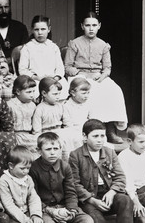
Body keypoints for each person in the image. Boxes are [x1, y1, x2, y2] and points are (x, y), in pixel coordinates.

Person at [69, 119, 135, 223]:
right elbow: (74, 183)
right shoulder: (76, 155)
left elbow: (120, 177)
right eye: (95, 136)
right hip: (88, 198)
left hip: (107, 194)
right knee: (91, 212)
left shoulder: (109, 152)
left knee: (125, 200)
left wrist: (112, 192)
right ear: (84, 137)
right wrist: (92, 200)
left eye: (102, 136)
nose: (100, 140)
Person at [64, 11, 128, 143]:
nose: (91, 28)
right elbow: (67, 66)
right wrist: (78, 73)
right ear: (82, 26)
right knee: (92, 91)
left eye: (94, 25)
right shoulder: (74, 43)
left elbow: (107, 68)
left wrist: (102, 76)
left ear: (99, 26)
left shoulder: (103, 45)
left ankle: (110, 130)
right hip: (79, 76)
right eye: (88, 25)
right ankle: (93, 130)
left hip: (97, 76)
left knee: (114, 90)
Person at [29, 132, 94, 223]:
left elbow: (71, 191)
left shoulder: (65, 166)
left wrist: (72, 210)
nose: (53, 152)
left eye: (56, 148)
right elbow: (33, 196)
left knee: (86, 220)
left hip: (65, 207)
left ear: (60, 149)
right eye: (48, 149)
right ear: (39, 151)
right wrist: (50, 210)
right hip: (44, 209)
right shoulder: (33, 169)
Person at [0, 146, 45, 223]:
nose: (25, 171)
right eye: (22, 168)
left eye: (28, 168)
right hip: (11, 217)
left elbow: (33, 197)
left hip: (27, 213)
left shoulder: (27, 179)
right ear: (11, 166)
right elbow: (8, 205)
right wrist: (25, 220)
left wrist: (35, 215)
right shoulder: (4, 180)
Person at [18, 15, 69, 100]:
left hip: (54, 80)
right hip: (36, 80)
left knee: (62, 91)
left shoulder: (53, 47)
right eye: (36, 30)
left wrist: (55, 79)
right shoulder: (27, 48)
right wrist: (36, 78)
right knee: (36, 92)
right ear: (32, 30)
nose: (40, 33)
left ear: (49, 29)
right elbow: (22, 69)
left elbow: (60, 68)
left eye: (43, 29)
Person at [32, 77, 80, 162]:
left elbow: (67, 122)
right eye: (55, 94)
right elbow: (37, 129)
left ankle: (69, 164)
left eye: (59, 94)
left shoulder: (60, 106)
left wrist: (69, 131)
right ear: (44, 93)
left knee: (72, 138)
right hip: (46, 134)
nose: (58, 97)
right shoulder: (40, 109)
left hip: (59, 132)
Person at [0, 0, 29, 73]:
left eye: (6, 7)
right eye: (0, 8)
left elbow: (26, 51)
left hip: (19, 71)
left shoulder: (20, 27)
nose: (4, 11)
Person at [7, 75, 38, 155]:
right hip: (15, 135)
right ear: (18, 92)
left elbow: (34, 122)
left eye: (33, 91)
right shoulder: (10, 105)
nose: (32, 95)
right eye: (28, 92)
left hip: (29, 135)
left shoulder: (32, 105)